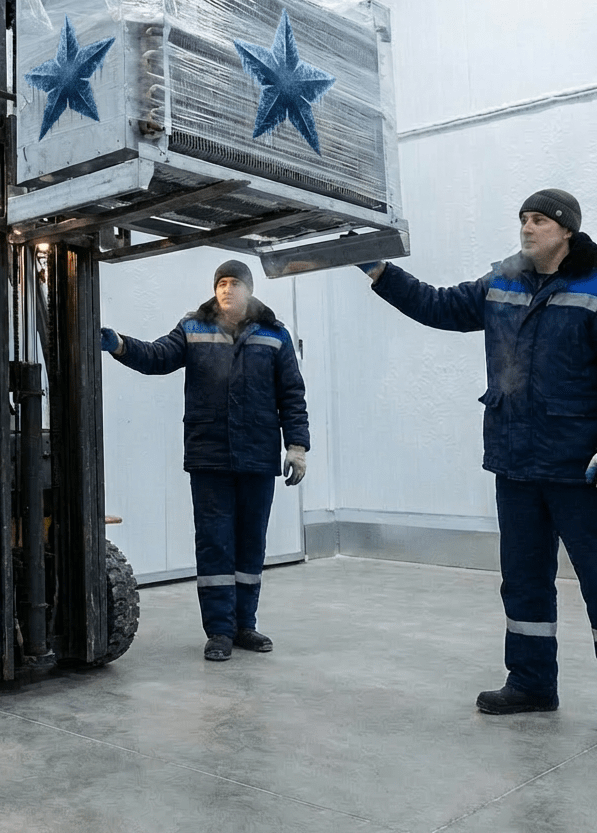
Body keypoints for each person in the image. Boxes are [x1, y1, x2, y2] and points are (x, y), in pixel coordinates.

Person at [357, 188, 597, 715]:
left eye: (539, 220)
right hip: (515, 462)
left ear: (567, 232)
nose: (527, 228)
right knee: (525, 581)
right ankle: (532, 683)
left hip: (579, 466)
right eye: (523, 219)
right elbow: (436, 304)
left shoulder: (594, 285)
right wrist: (376, 266)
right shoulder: (502, 282)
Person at [101, 259, 310, 662]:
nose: (226, 289)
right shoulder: (193, 328)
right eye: (221, 283)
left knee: (251, 543)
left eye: (234, 283)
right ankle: (218, 631)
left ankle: (244, 625)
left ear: (249, 290)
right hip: (209, 456)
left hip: (257, 457)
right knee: (214, 544)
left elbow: (292, 395)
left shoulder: (275, 334)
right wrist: (121, 344)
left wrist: (297, 447)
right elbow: (157, 357)